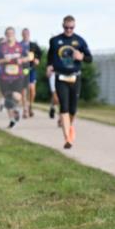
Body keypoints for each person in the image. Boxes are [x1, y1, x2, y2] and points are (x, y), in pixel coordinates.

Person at [47, 15, 92, 149]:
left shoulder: (79, 41)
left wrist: (82, 56)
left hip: (75, 77)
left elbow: (90, 58)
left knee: (73, 108)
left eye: (71, 28)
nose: (68, 30)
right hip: (60, 77)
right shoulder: (55, 41)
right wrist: (49, 66)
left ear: (74, 27)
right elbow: (50, 56)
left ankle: (69, 125)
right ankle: (68, 138)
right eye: (66, 28)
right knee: (64, 106)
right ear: (63, 26)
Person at [0, 27, 32, 128]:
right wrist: (2, 61)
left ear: (14, 34)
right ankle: (12, 120)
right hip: (4, 77)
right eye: (8, 33)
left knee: (17, 96)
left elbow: (29, 57)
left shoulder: (20, 46)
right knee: (7, 99)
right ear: (5, 35)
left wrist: (22, 60)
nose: (10, 35)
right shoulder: (1, 47)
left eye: (11, 33)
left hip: (17, 76)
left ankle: (16, 110)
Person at [20, 28, 43, 118]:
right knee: (23, 90)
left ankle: (30, 105)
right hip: (22, 69)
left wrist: (38, 59)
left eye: (27, 34)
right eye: (24, 34)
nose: (25, 35)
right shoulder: (19, 45)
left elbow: (40, 53)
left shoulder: (33, 45)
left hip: (32, 69)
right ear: (22, 34)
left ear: (29, 34)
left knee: (32, 89)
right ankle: (25, 109)